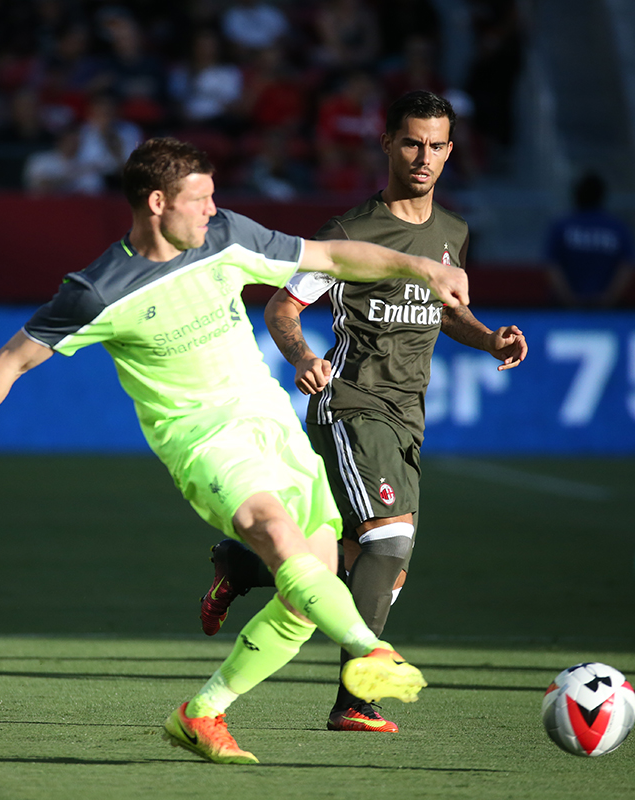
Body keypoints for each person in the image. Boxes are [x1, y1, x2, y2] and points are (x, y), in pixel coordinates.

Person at [0, 136, 474, 764]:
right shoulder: (98, 290)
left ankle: (202, 712)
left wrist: (424, 269)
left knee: (314, 586)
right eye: (201, 200)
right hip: (204, 441)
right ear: (157, 203)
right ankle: (370, 652)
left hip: (271, 424)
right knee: (274, 532)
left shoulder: (226, 238)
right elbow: (11, 360)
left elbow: (328, 254)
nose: (212, 210)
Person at [197, 91, 528, 733]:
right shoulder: (351, 233)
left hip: (408, 415)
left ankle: (239, 566)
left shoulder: (453, 234)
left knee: (355, 558)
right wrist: (302, 357)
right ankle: (356, 698)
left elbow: (445, 310)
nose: (423, 156)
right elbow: (282, 307)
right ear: (386, 144)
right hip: (351, 404)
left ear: (450, 151)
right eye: (411, 142)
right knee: (391, 539)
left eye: (436, 145)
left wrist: (487, 337)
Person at [544, 171, 635, 309]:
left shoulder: (563, 226)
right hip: (606, 310)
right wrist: (609, 298)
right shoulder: (617, 228)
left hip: (567, 310)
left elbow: (552, 267)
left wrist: (568, 299)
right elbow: (626, 268)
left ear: (576, 194)